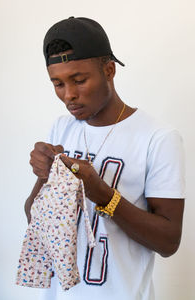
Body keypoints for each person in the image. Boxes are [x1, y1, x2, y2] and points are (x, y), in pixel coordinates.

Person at [25, 16, 185, 300]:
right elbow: (34, 219)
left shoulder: (158, 138)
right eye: (58, 83)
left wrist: (102, 195)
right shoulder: (62, 128)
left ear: (109, 70)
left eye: (79, 80)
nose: (69, 95)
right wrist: (43, 177)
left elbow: (168, 241)